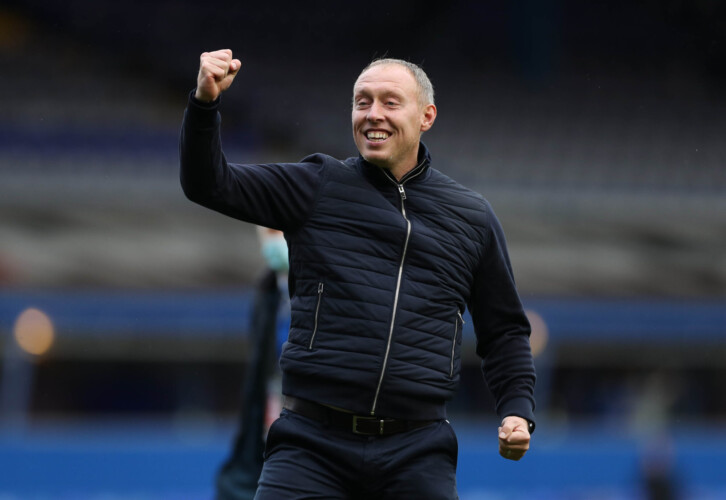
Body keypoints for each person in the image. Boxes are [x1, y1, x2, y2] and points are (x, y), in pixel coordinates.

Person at [180, 49, 536, 499]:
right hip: (311, 445)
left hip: (418, 451)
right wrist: (205, 102)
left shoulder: (471, 217)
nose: (373, 114)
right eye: (362, 102)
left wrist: (517, 409)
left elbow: (504, 331)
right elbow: (208, 183)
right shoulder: (316, 185)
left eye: (390, 102)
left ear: (426, 116)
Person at [215, 228, 289, 500]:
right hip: (271, 440)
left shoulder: (333, 287)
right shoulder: (268, 291)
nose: (274, 239)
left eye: (278, 231)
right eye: (269, 231)